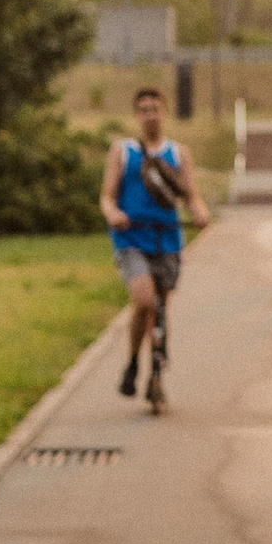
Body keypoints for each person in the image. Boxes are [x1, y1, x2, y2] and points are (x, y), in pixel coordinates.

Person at [99, 83, 209, 398]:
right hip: (131, 237)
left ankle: (156, 372)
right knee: (144, 300)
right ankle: (133, 361)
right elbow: (106, 197)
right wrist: (113, 214)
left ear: (164, 112)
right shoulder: (123, 151)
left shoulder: (178, 154)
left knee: (161, 307)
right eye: (144, 110)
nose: (150, 116)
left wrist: (200, 214)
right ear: (136, 114)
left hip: (167, 240)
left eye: (155, 110)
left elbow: (192, 197)